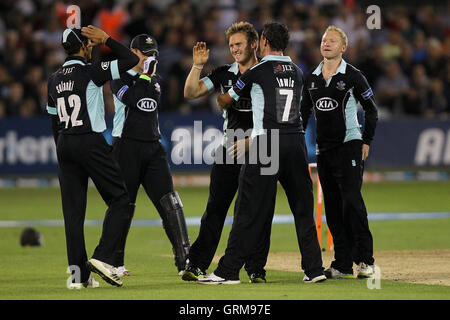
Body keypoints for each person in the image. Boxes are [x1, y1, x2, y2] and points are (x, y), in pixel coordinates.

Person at [200, 22, 326, 284]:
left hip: (267, 144)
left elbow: (226, 100)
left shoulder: (257, 70)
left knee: (248, 207)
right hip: (296, 142)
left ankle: (228, 271)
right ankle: (314, 270)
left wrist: (223, 97)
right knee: (303, 208)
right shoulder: (298, 71)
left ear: (264, 42)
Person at [46, 25, 139, 288]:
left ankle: (78, 277)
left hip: (65, 143)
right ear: (86, 46)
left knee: (73, 215)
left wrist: (63, 150)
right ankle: (102, 257)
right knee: (120, 199)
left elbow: (54, 121)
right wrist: (108, 39)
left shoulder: (53, 78)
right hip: (89, 141)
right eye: (89, 44)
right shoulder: (92, 71)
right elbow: (131, 60)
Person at [182, 22, 270, 283]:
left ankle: (256, 268)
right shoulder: (224, 74)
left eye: (239, 44)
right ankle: (197, 264)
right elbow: (190, 92)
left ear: (253, 44)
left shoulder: (267, 73)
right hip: (229, 146)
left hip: (262, 146)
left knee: (258, 211)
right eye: (231, 45)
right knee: (215, 208)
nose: (234, 49)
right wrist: (197, 65)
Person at [300, 25, 378, 279]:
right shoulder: (311, 78)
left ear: (344, 47)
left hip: (350, 145)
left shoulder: (354, 75)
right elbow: (302, 114)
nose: (326, 43)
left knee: (352, 202)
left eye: (332, 41)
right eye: (324, 40)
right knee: (333, 207)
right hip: (324, 150)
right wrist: (298, 142)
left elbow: (372, 110)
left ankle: (366, 260)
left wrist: (365, 141)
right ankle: (342, 263)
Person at [109, 34, 190, 276]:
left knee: (170, 202)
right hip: (126, 146)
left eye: (153, 53)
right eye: (146, 53)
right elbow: (134, 99)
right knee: (124, 205)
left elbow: (148, 102)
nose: (150, 57)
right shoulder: (118, 77)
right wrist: (145, 76)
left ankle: (186, 260)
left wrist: (147, 76)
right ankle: (114, 261)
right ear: (133, 52)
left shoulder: (155, 80)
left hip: (153, 146)